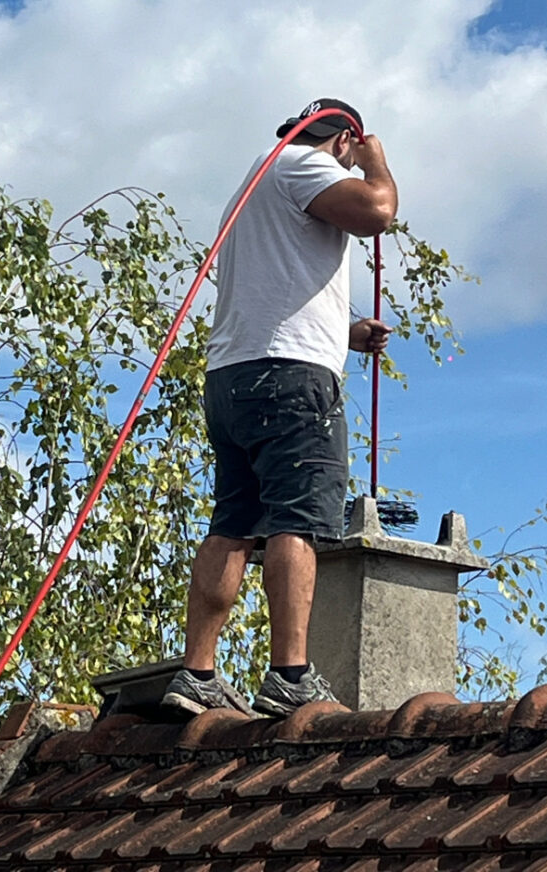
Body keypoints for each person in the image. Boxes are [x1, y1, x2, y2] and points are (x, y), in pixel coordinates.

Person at [162, 97, 398, 717]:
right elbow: (377, 212)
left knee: (234, 523)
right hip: (289, 380)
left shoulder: (258, 181)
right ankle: (290, 675)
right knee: (299, 518)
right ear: (342, 141)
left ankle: (198, 674)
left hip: (233, 375)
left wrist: (343, 332)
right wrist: (376, 164)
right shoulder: (306, 166)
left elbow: (275, 286)